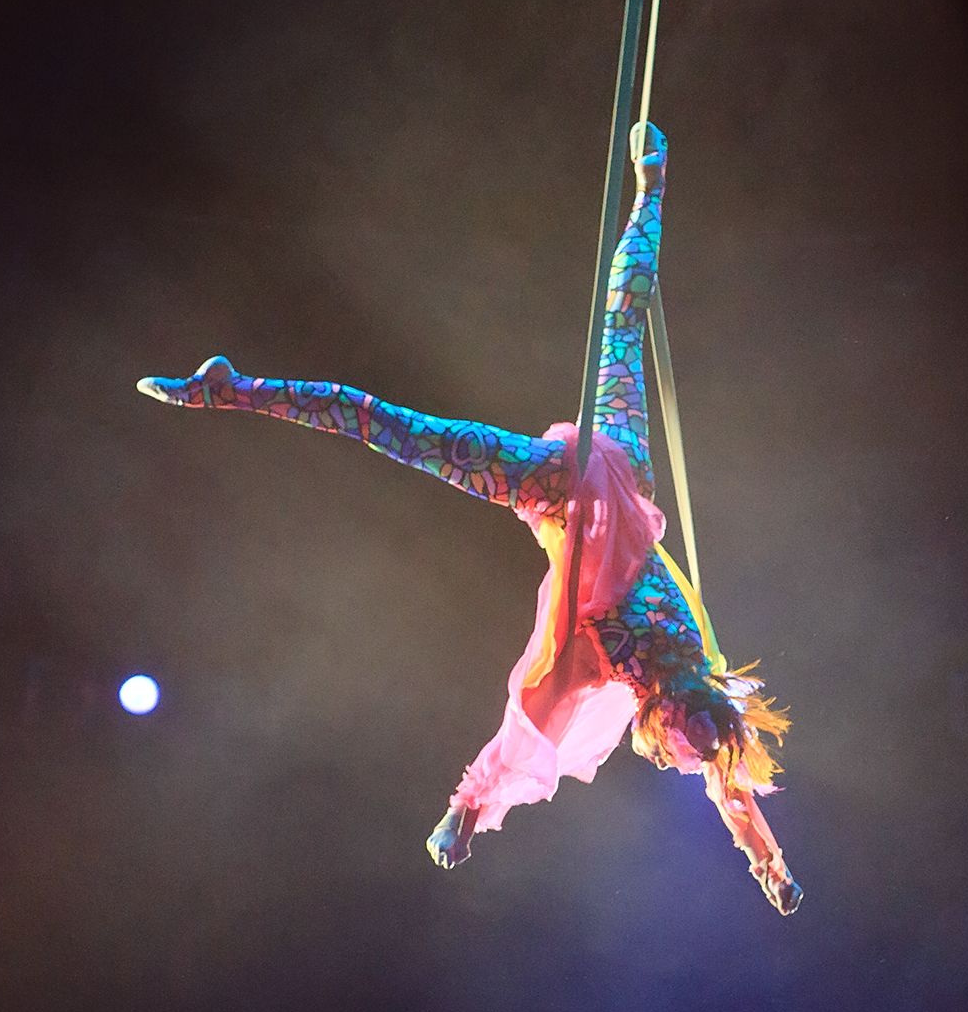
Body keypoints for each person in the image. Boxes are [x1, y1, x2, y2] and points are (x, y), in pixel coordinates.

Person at [138, 123, 798, 913]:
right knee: (621, 321)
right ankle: (652, 190)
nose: (688, 710)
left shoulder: (603, 669)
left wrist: (466, 812)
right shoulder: (706, 668)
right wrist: (772, 863)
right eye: (701, 713)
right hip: (620, 468)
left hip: (554, 488)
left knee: (400, 433)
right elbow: (732, 786)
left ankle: (230, 392)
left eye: (678, 722)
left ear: (659, 720)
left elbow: (525, 730)